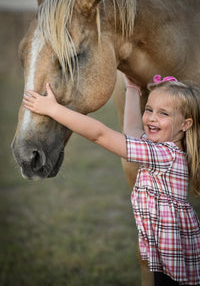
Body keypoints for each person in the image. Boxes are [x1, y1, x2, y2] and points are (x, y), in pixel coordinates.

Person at [23, 75, 200, 285]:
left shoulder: (165, 154)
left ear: (185, 124)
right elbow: (132, 132)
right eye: (149, 109)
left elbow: (101, 135)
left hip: (173, 248)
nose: (152, 118)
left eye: (163, 113)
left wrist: (53, 110)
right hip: (164, 245)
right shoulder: (164, 147)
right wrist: (133, 89)